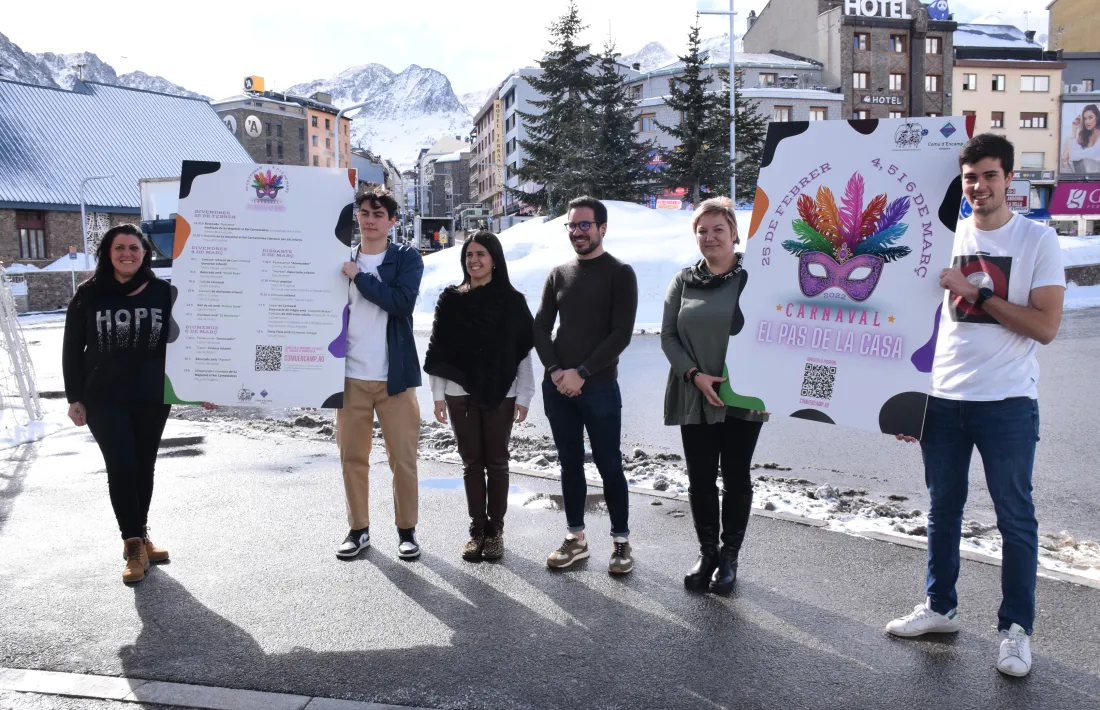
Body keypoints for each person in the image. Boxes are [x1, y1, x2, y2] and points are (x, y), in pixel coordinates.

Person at [886, 134, 1065, 678]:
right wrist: (903, 399)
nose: (979, 186)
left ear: (1009, 177)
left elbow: (1046, 327)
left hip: (1007, 402)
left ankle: (1015, 631)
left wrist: (977, 291)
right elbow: (902, 313)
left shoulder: (1037, 239)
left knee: (1015, 518)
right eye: (970, 177)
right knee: (943, 510)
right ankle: (940, 608)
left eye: (989, 175)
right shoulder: (944, 232)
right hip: (942, 400)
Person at [660, 197, 767, 595]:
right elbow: (668, 336)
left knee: (736, 476)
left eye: (718, 229)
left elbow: (774, 330)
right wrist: (694, 375)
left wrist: (776, 385)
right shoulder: (683, 280)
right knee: (701, 477)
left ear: (734, 233)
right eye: (702, 231)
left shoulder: (754, 278)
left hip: (744, 392)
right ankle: (707, 552)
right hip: (694, 390)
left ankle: (729, 557)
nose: (710, 237)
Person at [62, 225, 174, 584]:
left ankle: (140, 534)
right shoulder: (88, 295)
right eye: (119, 248)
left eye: (134, 248)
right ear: (107, 254)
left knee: (144, 467)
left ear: (145, 253)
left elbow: (186, 343)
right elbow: (71, 350)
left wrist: (203, 384)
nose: (127, 253)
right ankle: (131, 545)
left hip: (152, 397)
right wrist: (74, 397)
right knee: (123, 466)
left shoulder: (163, 292)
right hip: (104, 398)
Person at [534, 196, 638, 574]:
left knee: (611, 465)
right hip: (558, 387)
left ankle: (621, 543)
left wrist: (582, 372)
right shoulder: (559, 274)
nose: (577, 232)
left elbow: (621, 334)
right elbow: (540, 327)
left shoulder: (620, 273)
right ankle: (575, 539)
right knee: (569, 464)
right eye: (572, 226)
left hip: (599, 388)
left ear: (602, 228)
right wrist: (555, 371)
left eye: (584, 225)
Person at [423, 231, 535, 561]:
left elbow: (523, 352)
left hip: (502, 394)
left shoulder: (512, 301)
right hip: (459, 394)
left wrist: (525, 396)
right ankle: (476, 530)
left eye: (481, 254)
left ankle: (495, 531)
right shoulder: (451, 299)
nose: (474, 260)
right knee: (472, 463)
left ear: (494, 259)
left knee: (497, 463)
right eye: (469, 255)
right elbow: (439, 350)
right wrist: (438, 395)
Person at [336, 186, 425, 560]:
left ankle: (406, 531)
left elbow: (400, 303)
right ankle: (358, 529)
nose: (369, 220)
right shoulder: (339, 257)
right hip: (350, 377)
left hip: (395, 379)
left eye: (378, 214)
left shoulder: (406, 258)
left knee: (402, 459)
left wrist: (360, 278)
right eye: (364, 213)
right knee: (352, 458)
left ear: (391, 220)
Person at [1061, 104, 1100, 174]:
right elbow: (1073, 157)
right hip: (1084, 178)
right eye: (1085, 119)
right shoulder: (1085, 136)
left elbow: (1077, 155)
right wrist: (1074, 130)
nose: (1087, 122)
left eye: (1090, 117)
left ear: (1097, 118)